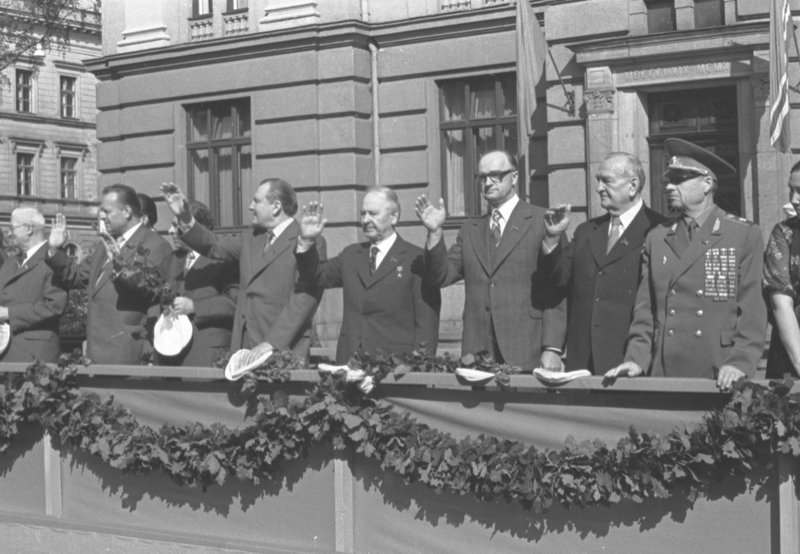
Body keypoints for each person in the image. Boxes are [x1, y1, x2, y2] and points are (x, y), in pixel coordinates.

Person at [606, 139, 766, 390]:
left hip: (720, 372)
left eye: (679, 180)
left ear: (707, 183)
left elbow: (752, 310)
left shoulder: (742, 234)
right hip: (664, 371)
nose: (669, 186)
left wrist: (740, 362)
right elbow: (645, 311)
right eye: (668, 180)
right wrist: (636, 359)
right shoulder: (657, 237)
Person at [415, 150, 567, 371]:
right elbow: (440, 276)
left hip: (527, 349)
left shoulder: (542, 221)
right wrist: (435, 232)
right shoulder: (470, 229)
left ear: (514, 177)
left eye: (495, 175)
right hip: (478, 351)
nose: (487, 183)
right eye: (482, 177)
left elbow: (556, 289)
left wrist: (552, 348)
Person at [162, 178, 325, 360]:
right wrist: (185, 218)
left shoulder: (308, 241)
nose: (250, 206)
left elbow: (305, 300)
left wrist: (271, 343)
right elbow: (213, 245)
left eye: (256, 201)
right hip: (244, 348)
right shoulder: (251, 238)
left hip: (283, 350)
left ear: (276, 207)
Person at [541, 152, 666, 373]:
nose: (599, 188)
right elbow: (559, 280)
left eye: (607, 181)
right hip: (583, 363)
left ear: (633, 185)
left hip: (630, 361)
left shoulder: (660, 230)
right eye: (598, 180)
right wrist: (552, 238)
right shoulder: (586, 231)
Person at [296, 187, 441, 363]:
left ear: (394, 216)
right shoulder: (351, 255)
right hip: (349, 366)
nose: (365, 220)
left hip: (395, 369)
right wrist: (307, 241)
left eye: (373, 213)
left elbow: (427, 325)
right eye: (362, 214)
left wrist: (419, 368)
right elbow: (316, 277)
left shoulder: (416, 259)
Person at [47, 184, 173, 364]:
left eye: (107, 211)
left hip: (128, 352)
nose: (101, 216)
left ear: (127, 211)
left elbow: (151, 290)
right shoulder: (104, 245)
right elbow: (77, 276)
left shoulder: (155, 244)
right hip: (96, 353)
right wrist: (55, 249)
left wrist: (119, 264)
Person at [159, 201, 239, 366]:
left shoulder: (224, 260)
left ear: (197, 228)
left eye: (177, 226)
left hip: (204, 351)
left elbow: (233, 302)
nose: (170, 231)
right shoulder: (171, 259)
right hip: (169, 352)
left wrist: (195, 306)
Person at [0, 207, 68, 362]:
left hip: (34, 357)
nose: (8, 233)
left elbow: (55, 306)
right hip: (5, 354)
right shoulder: (10, 263)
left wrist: (9, 313)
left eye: (12, 228)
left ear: (29, 229)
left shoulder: (54, 259)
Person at [763, 160, 800, 378]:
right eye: (791, 189)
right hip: (792, 355)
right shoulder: (784, 233)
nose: (794, 199)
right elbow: (781, 303)